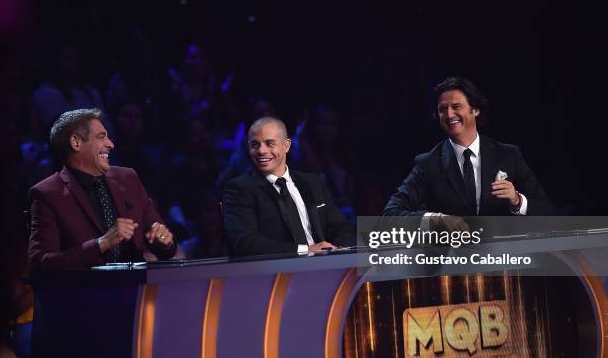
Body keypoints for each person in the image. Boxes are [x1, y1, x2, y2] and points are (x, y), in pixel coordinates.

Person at [383, 77, 554, 223]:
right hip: (453, 258)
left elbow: (546, 211)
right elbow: (390, 215)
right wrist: (437, 219)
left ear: (475, 110)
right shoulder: (428, 163)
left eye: (456, 107)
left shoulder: (509, 155)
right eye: (443, 109)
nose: (449, 115)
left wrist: (517, 200)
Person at [28, 109, 176, 272]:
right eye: (101, 137)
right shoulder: (48, 194)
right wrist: (102, 243)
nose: (110, 144)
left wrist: (164, 240)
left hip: (139, 288)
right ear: (76, 142)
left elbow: (163, 245)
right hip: (87, 293)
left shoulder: (128, 178)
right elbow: (40, 264)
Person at [222, 117, 356, 257]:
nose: (261, 151)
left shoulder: (312, 182)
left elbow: (341, 228)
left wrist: (341, 252)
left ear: (286, 145)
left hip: (325, 268)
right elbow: (245, 243)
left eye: (270, 144)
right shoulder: (239, 189)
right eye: (255, 145)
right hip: (276, 273)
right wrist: (307, 250)